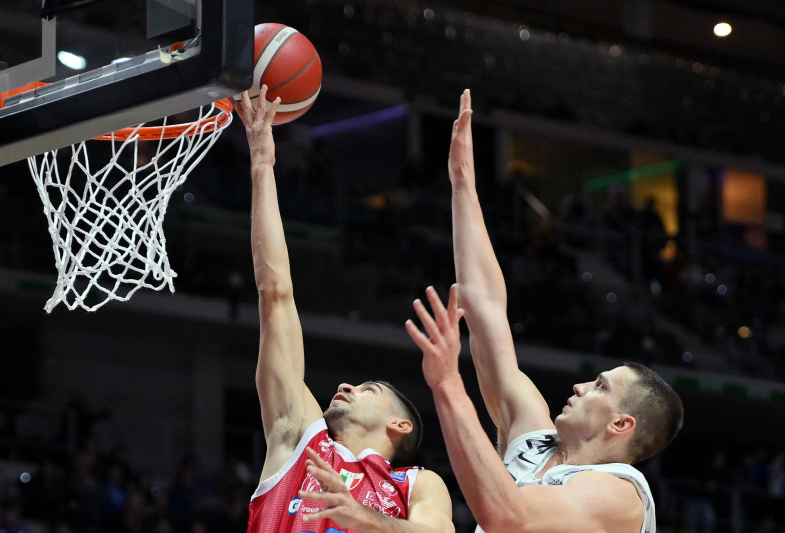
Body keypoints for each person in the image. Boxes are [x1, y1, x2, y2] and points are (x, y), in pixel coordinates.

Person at [405, 89, 684, 533]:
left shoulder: (620, 494)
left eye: (598, 386)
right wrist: (463, 185)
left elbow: (507, 518)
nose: (577, 386)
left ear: (621, 422)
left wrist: (447, 383)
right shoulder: (533, 439)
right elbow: (487, 311)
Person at [238, 85, 454, 533]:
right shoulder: (300, 436)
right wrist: (262, 166)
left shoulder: (417, 485)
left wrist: (365, 518)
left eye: (369, 388)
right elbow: (275, 292)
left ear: (399, 424)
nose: (346, 385)